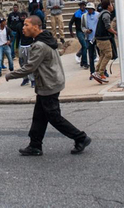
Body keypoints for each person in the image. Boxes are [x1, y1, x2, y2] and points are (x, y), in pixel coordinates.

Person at [5, 16, 91, 156]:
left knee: (54, 118)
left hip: (49, 85)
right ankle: (35, 145)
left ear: (36, 27)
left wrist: (11, 75)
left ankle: (81, 137)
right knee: (39, 116)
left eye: (26, 25)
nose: (23, 27)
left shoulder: (39, 45)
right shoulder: (46, 38)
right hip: (50, 82)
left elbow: (29, 67)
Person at [93, 0, 116, 83]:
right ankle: (101, 73)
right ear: (108, 6)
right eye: (111, 4)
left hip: (99, 39)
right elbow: (108, 27)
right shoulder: (106, 15)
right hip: (104, 39)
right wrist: (116, 33)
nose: (112, 6)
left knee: (102, 55)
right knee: (108, 55)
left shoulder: (102, 14)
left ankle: (97, 71)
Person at [81, 2, 99, 75]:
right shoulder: (84, 16)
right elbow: (82, 27)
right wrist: (86, 31)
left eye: (90, 9)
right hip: (89, 38)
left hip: (97, 37)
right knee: (91, 55)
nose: (89, 11)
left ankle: (103, 70)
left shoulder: (98, 15)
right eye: (88, 9)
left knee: (101, 54)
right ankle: (92, 71)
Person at [72, 1, 88, 68]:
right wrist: (71, 31)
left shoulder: (87, 13)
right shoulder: (77, 14)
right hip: (79, 32)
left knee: (86, 46)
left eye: (84, 5)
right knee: (84, 46)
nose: (83, 7)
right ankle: (85, 63)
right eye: (81, 5)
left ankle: (82, 61)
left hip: (86, 31)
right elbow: (70, 23)